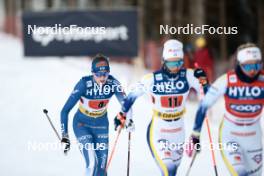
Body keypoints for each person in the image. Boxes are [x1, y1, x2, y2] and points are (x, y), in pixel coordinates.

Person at [114, 39, 209, 176]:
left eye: (178, 62)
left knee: (172, 172)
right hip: (158, 132)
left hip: (179, 133)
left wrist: (203, 81)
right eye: (171, 62)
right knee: (168, 170)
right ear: (164, 61)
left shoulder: (188, 75)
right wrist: (122, 114)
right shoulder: (152, 79)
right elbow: (131, 95)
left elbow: (207, 93)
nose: (175, 67)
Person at [190, 43, 264, 176]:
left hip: (253, 136)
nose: (253, 70)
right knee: (240, 173)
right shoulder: (227, 80)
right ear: (239, 64)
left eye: (256, 65)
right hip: (231, 135)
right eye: (248, 66)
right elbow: (204, 105)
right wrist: (195, 134)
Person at [60, 54, 132, 176]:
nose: (102, 78)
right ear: (93, 73)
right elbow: (65, 110)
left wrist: (127, 118)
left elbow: (127, 104)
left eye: (105, 74)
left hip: (101, 125)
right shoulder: (84, 84)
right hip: (82, 124)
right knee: (92, 164)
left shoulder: (113, 83)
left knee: (101, 169)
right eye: (98, 74)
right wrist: (65, 135)